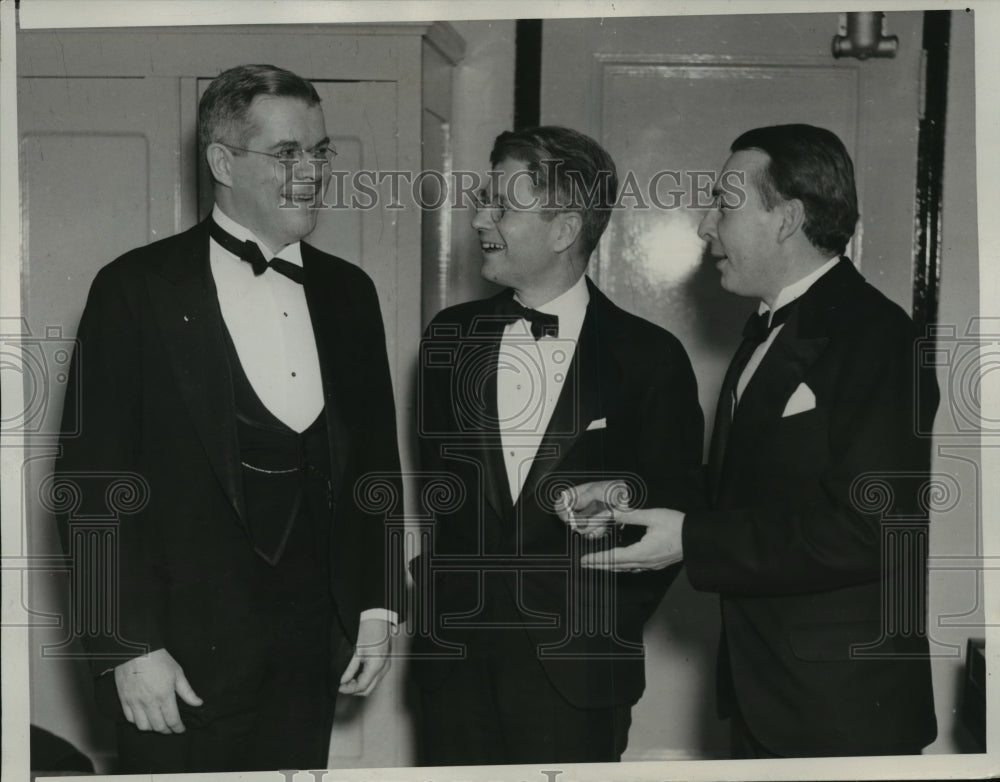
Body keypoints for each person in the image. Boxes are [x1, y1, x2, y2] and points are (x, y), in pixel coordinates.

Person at [54, 64, 403, 773]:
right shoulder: (136, 288)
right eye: (287, 154)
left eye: (320, 152)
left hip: (310, 658)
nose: (312, 172)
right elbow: (88, 481)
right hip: (175, 665)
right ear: (221, 161)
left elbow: (375, 467)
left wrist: (378, 605)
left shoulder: (349, 294)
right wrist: (124, 644)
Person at [562, 124, 939, 757]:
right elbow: (750, 487)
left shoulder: (877, 336)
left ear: (787, 217)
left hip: (841, 714)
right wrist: (629, 495)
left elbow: (874, 530)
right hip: (771, 696)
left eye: (724, 204)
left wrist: (691, 539)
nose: (706, 226)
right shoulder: (764, 329)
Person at [412, 126, 704, 765]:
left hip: (579, 676)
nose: (480, 218)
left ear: (565, 227)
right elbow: (440, 497)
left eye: (502, 205)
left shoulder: (649, 359)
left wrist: (601, 621)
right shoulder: (447, 338)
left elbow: (676, 507)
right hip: (451, 666)